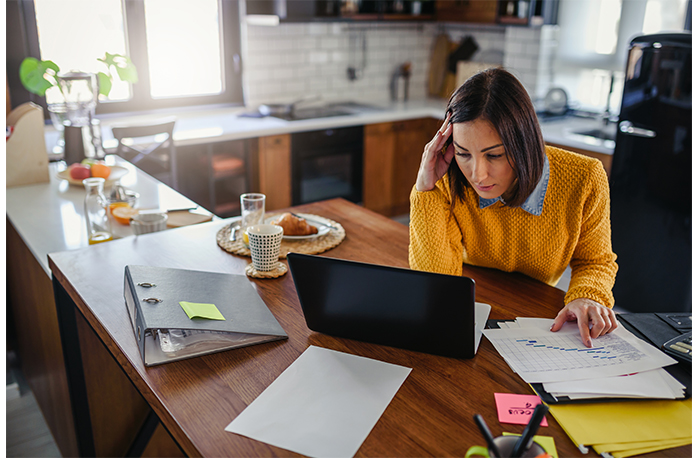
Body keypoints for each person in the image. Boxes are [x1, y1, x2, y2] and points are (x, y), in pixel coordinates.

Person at [409, 68, 618, 347]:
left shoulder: (584, 177)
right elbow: (435, 283)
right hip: (475, 301)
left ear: (524, 143)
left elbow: (595, 261)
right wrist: (425, 189)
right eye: (463, 153)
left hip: (538, 316)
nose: (477, 175)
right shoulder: (448, 177)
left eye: (494, 155)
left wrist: (587, 295)